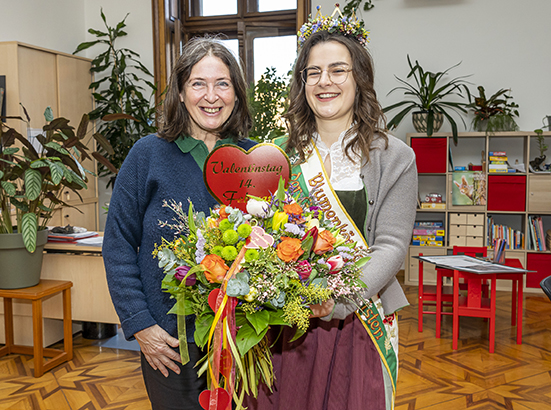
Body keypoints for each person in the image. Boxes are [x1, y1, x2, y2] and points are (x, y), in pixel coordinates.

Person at [246, 8, 418, 410]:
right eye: (313, 72)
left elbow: (391, 246)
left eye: (338, 70)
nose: (325, 82)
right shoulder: (278, 155)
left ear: (359, 79)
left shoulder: (395, 157)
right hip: (287, 324)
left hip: (358, 319)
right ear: (302, 82)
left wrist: (336, 300)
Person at [103, 36, 255, 410]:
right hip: (169, 343)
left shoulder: (255, 159)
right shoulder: (147, 155)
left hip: (244, 338)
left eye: (222, 83)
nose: (211, 95)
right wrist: (140, 324)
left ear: (236, 93)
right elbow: (119, 243)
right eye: (198, 84)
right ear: (182, 92)